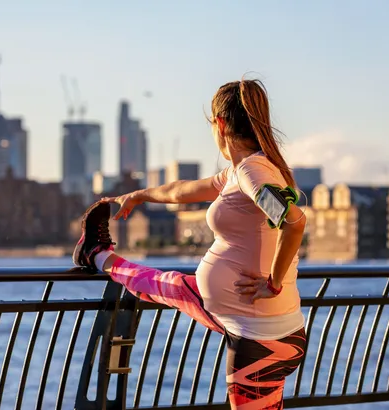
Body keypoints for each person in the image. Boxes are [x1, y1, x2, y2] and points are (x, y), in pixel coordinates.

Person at [72, 79, 307, 409]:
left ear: (220, 124)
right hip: (264, 326)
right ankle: (97, 256)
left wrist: (273, 282)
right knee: (167, 285)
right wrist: (139, 195)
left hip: (259, 338)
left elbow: (293, 222)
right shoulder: (245, 170)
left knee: (166, 285)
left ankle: (97, 256)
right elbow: (182, 191)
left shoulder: (251, 173)